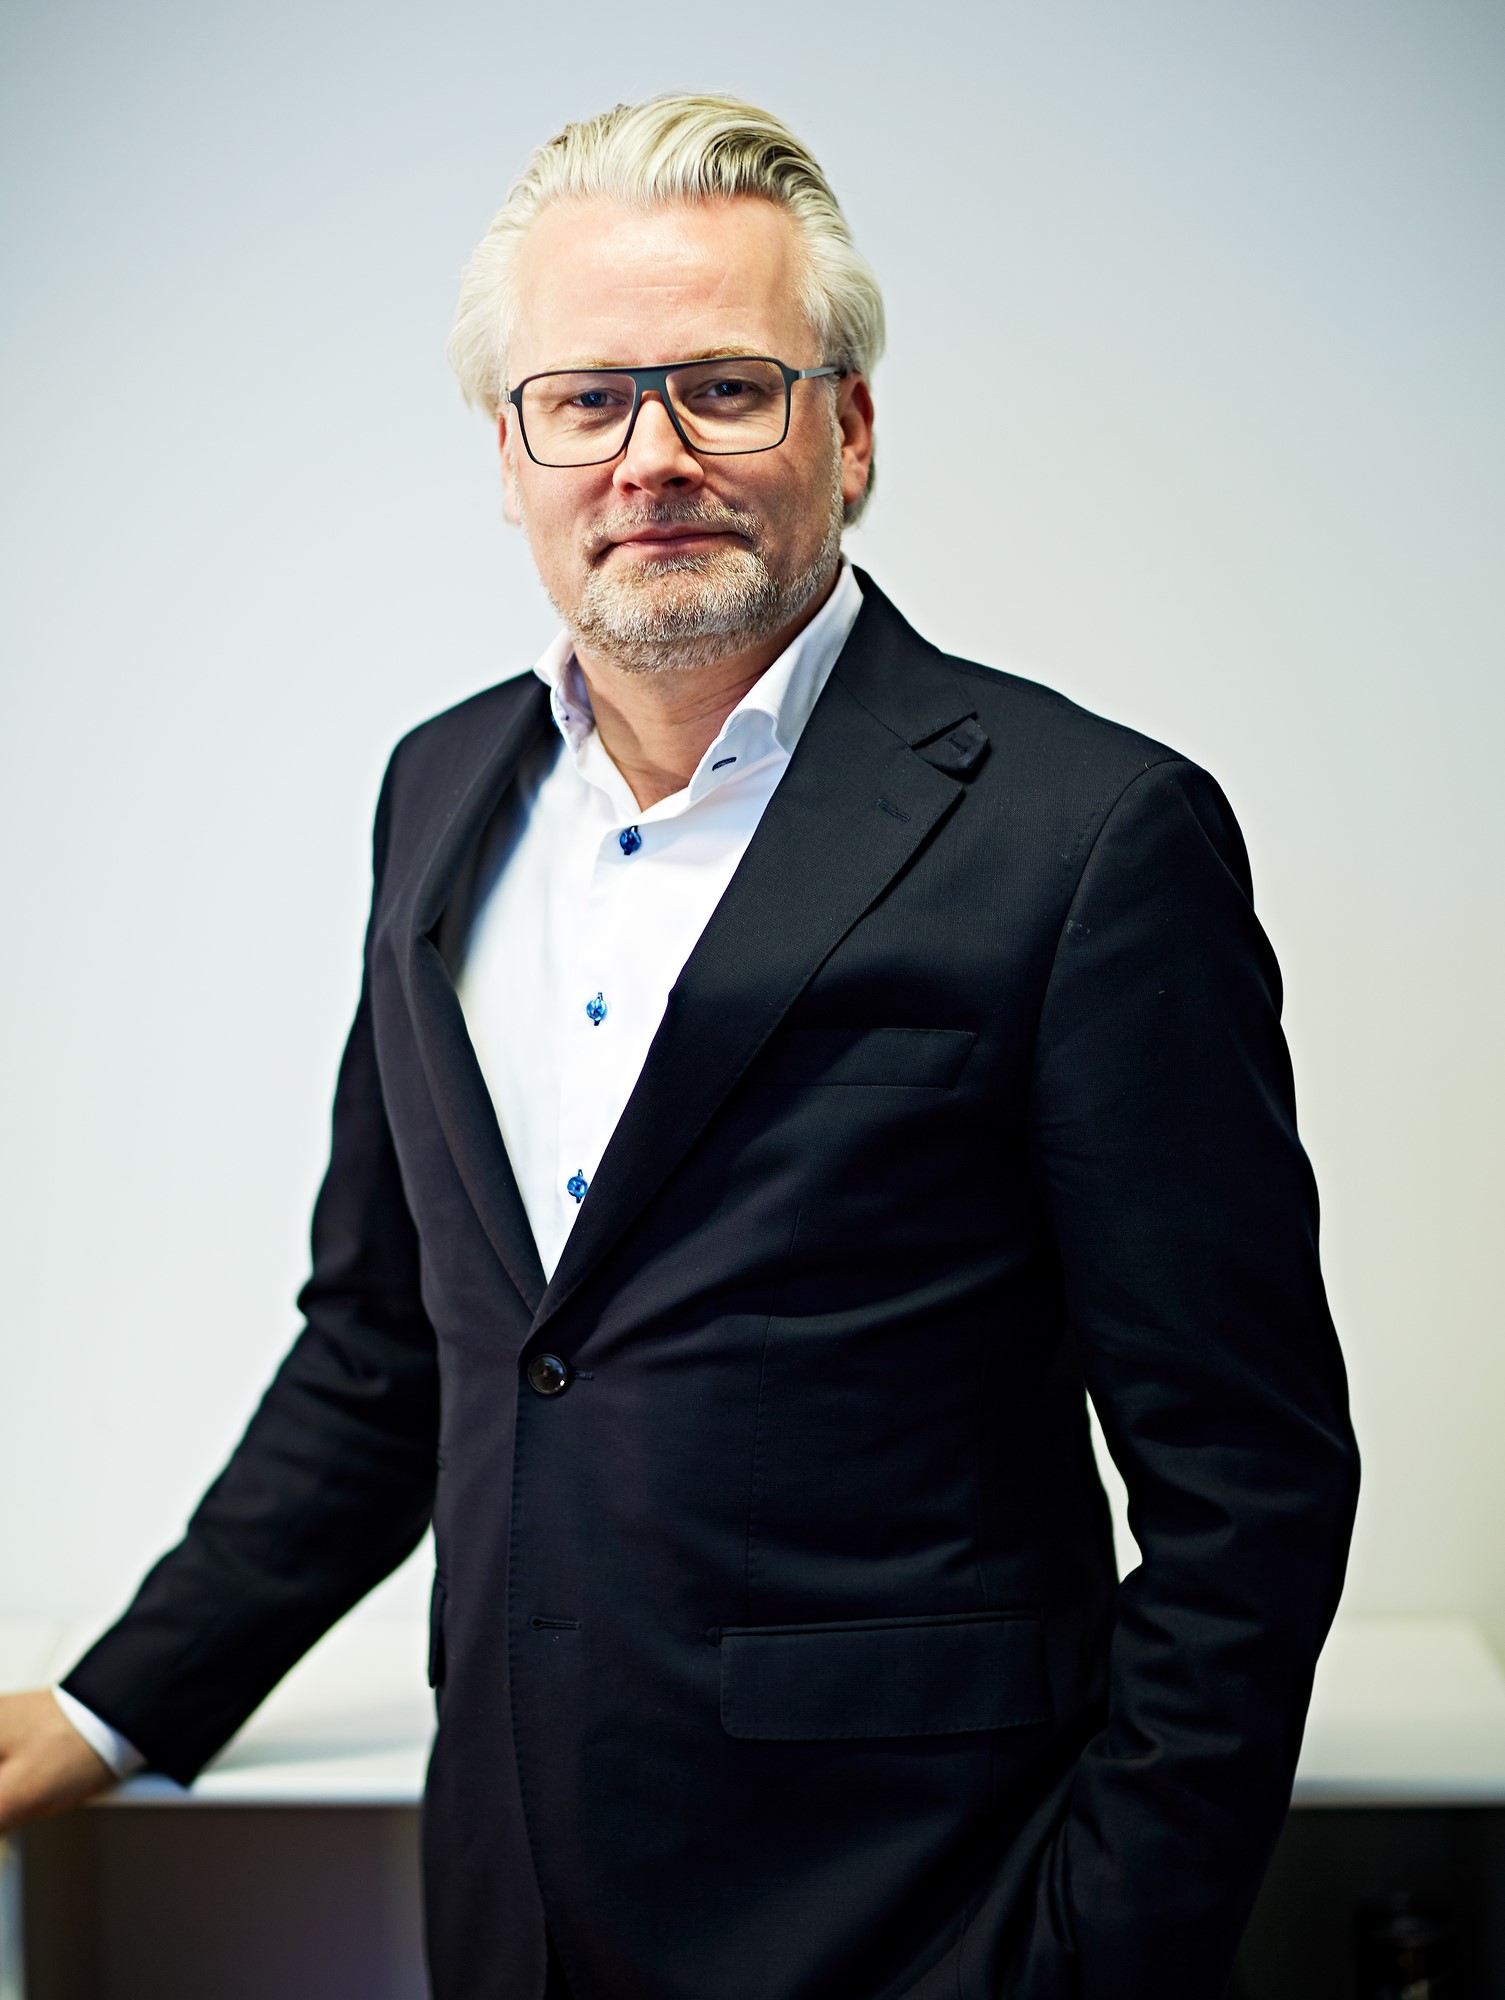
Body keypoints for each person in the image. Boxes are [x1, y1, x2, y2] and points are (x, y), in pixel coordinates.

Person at [0, 93, 1359, 2000]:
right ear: (509, 454)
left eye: (725, 388)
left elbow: (1250, 1483)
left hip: (928, 1916)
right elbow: (390, 1353)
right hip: (511, 1906)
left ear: (850, 430)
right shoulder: (435, 795)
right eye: (585, 400)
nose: (652, 457)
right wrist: (110, 1706)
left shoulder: (1090, 838)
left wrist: (1096, 1956)